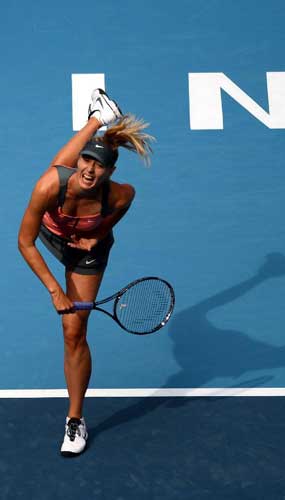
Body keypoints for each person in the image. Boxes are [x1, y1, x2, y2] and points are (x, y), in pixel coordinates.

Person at [18, 89, 153, 456]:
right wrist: (54, 290)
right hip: (51, 232)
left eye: (99, 166)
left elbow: (129, 201)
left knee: (73, 331)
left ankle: (75, 420)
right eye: (86, 162)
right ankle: (97, 117)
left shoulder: (117, 195)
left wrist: (98, 235)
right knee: (53, 174)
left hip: (86, 250)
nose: (91, 170)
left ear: (110, 171)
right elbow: (24, 242)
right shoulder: (52, 183)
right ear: (81, 160)